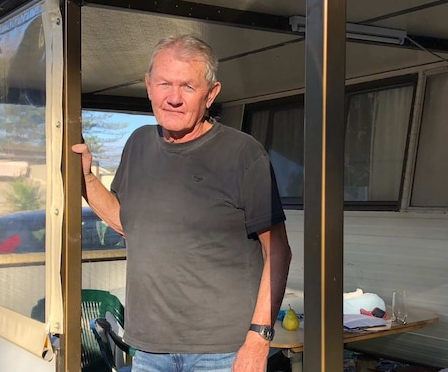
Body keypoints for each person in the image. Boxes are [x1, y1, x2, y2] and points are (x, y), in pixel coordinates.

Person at [72, 35, 292, 372]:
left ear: (211, 94)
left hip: (222, 353)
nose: (173, 98)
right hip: (149, 349)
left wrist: (259, 338)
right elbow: (126, 222)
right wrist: (86, 180)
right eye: (164, 84)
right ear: (148, 86)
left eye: (188, 87)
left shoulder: (242, 153)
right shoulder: (138, 144)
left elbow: (276, 250)